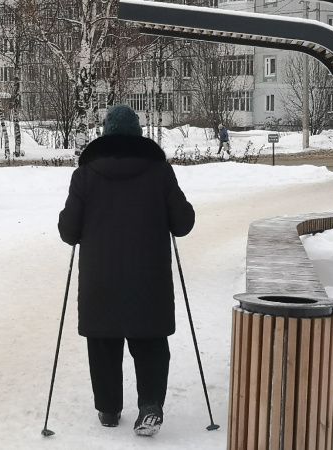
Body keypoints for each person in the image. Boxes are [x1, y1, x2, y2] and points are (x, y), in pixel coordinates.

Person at [58, 105, 195, 437]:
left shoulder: (85, 174)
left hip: (99, 280)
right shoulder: (160, 172)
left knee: (103, 341)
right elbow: (183, 223)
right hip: (148, 279)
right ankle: (149, 405)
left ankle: (108, 409)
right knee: (149, 340)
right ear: (138, 134)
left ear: (105, 134)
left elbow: (68, 231)